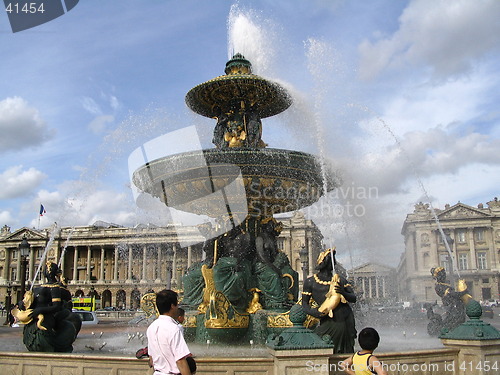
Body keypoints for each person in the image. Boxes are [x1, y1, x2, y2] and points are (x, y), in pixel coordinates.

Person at [302, 248, 357, 353]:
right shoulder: (311, 282)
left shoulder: (340, 280)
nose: (334, 262)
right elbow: (304, 304)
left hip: (344, 317)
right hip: (327, 318)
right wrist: (313, 312)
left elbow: (353, 298)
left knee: (344, 350)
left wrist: (344, 293)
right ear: (324, 262)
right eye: (331, 259)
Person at [146, 289, 195, 375]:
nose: (177, 308)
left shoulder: (151, 328)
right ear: (172, 306)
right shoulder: (174, 328)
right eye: (177, 305)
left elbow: (151, 359)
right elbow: (180, 361)